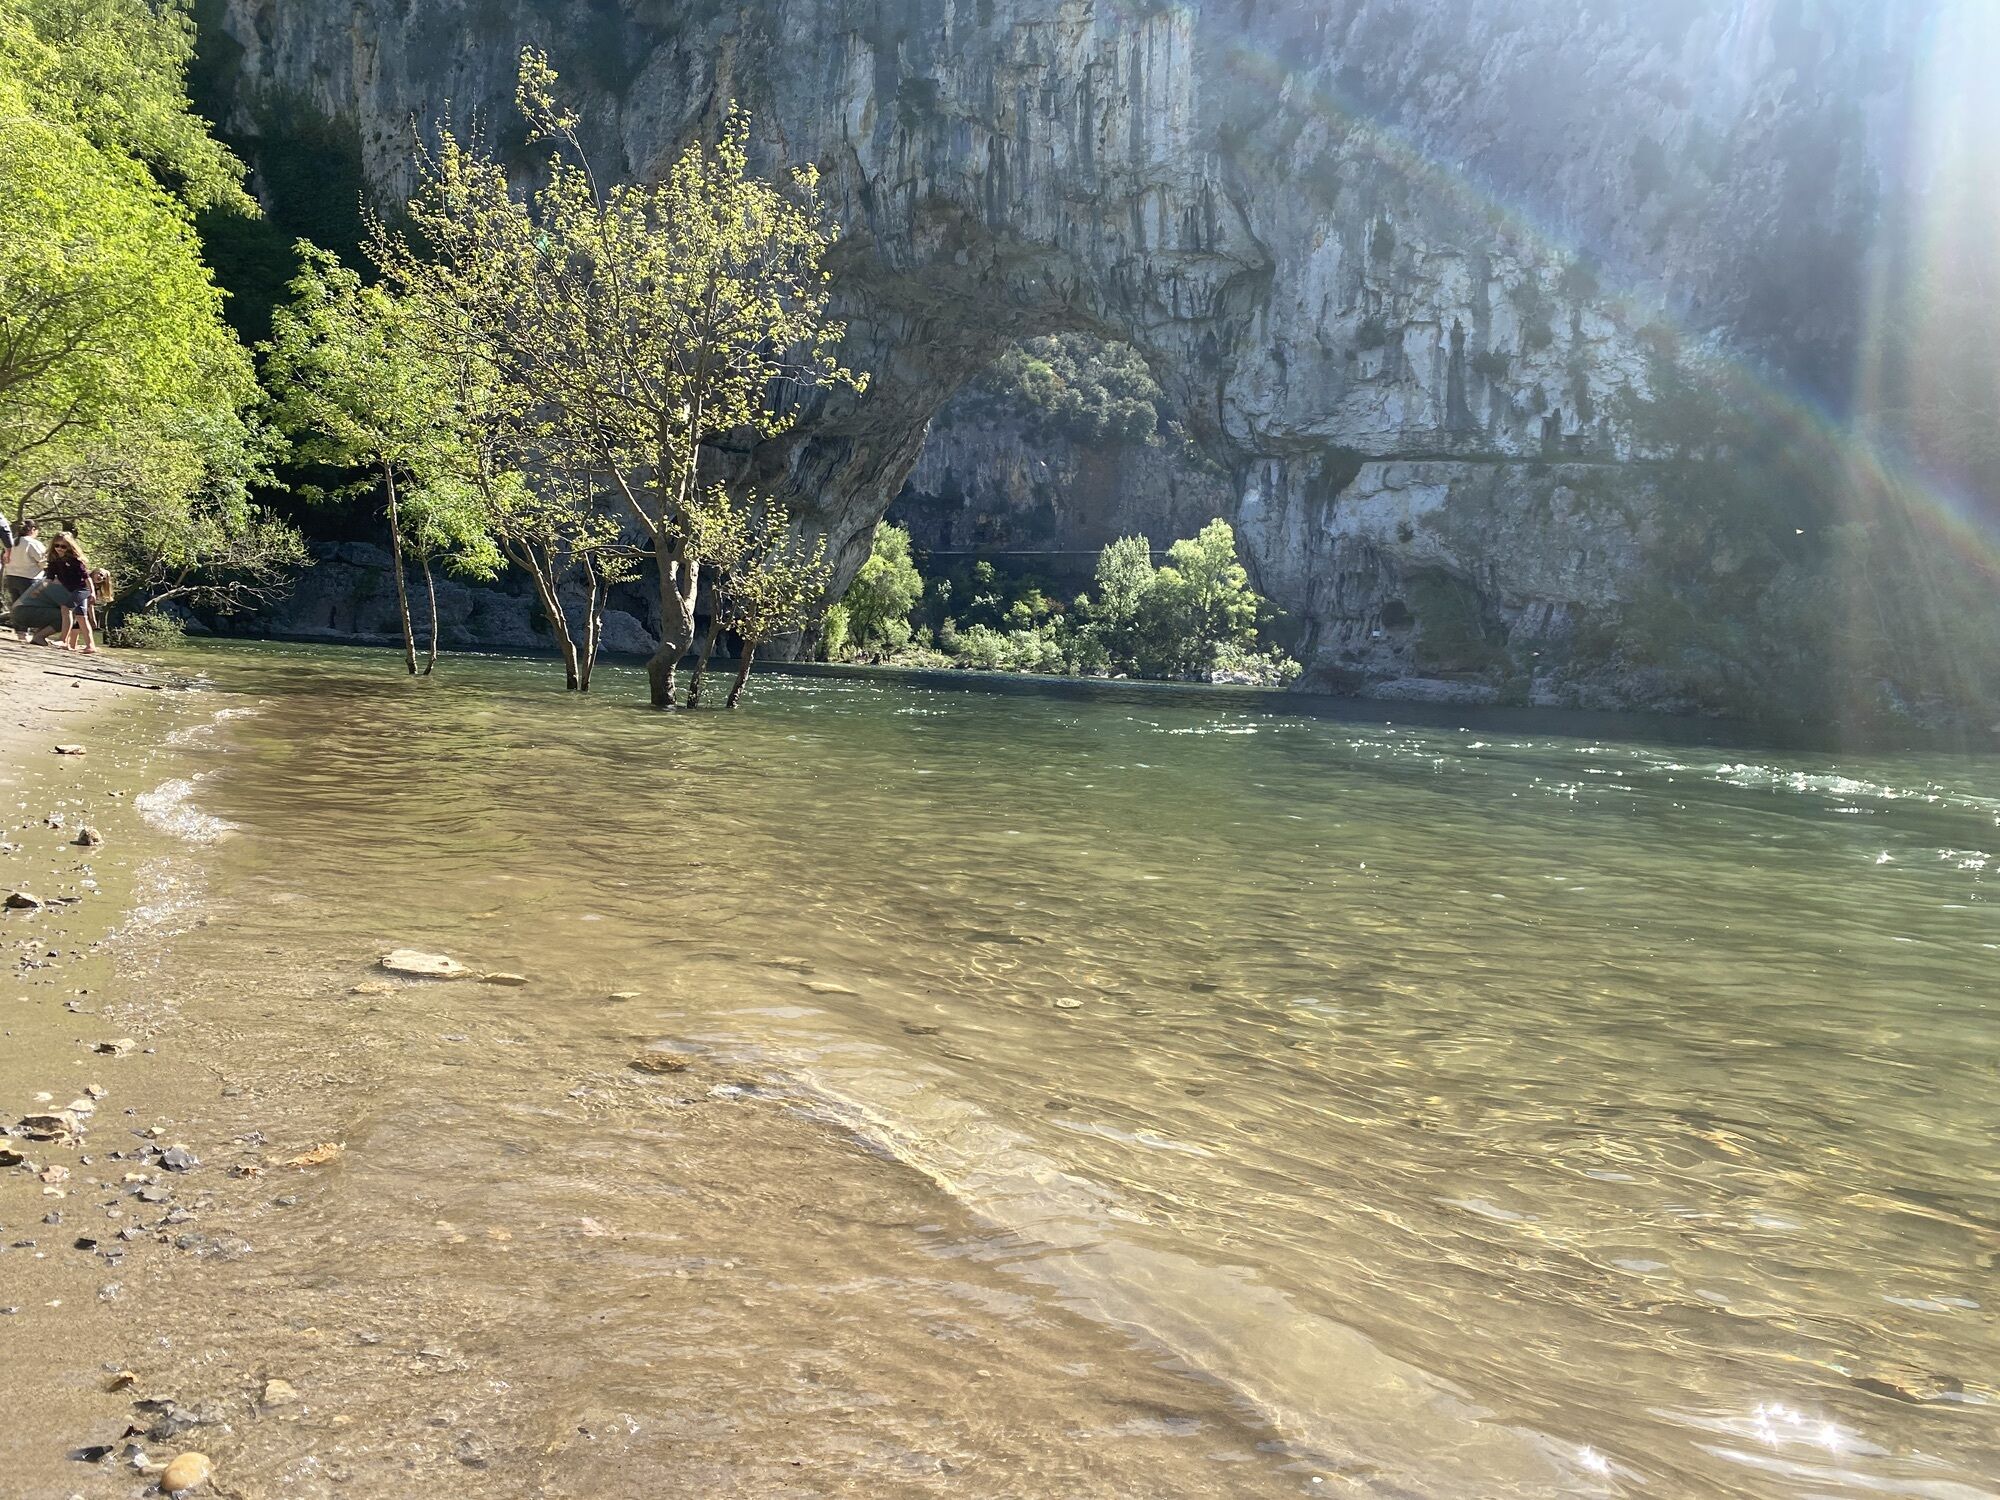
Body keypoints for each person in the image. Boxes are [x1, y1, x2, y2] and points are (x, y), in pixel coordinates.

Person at [44, 533, 96, 654]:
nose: (59, 548)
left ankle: (63, 640)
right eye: (57, 545)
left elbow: (86, 577)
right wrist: (41, 589)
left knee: (66, 608)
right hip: (71, 590)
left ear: (69, 547)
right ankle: (90, 646)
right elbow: (50, 577)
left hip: (82, 589)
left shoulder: (75, 560)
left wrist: (92, 592)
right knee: (81, 617)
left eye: (63, 546)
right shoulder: (54, 561)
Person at [2, 519, 44, 634]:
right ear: (33, 529)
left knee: (16, 606)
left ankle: (20, 631)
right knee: (28, 607)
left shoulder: (11, 542)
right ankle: (25, 631)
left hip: (11, 577)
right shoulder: (33, 543)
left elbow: (5, 559)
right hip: (29, 578)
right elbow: (43, 561)